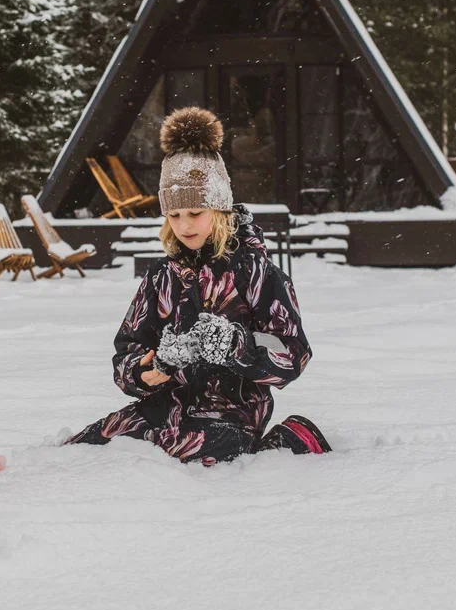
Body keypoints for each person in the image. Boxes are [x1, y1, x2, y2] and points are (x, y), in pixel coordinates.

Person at [66, 107, 331, 465]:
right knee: (88, 450)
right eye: (174, 215)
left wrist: (237, 346)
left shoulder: (257, 274)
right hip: (165, 407)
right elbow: (126, 352)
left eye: (195, 213)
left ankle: (291, 440)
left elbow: (294, 352)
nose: (184, 225)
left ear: (219, 210)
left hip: (231, 414)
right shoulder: (161, 277)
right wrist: (147, 370)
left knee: (179, 452)